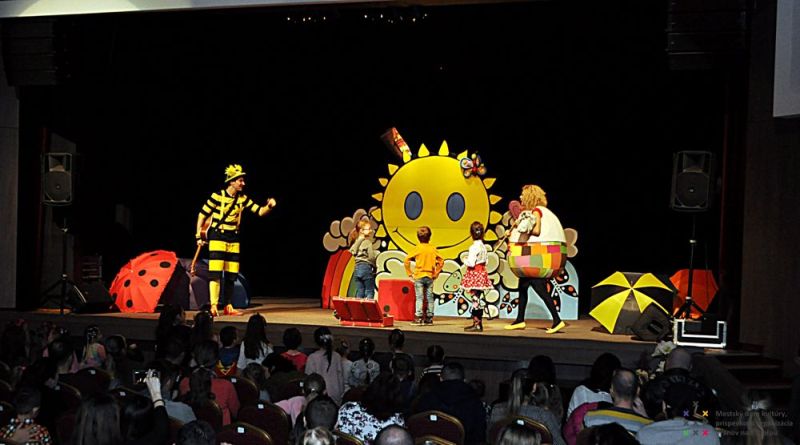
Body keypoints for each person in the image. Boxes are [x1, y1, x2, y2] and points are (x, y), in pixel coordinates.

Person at [195, 163, 276, 317]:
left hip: (233, 238)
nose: (243, 183)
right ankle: (213, 305)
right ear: (231, 181)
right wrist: (198, 235)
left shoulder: (242, 199)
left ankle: (228, 305)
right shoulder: (217, 196)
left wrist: (269, 206)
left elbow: (259, 211)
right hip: (218, 236)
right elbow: (202, 215)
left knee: (232, 274)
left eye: (243, 180)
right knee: (215, 273)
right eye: (240, 180)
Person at [505, 184, 567, 333]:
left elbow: (537, 230)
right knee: (523, 287)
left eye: (523, 195)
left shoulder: (537, 211)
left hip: (536, 258)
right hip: (531, 258)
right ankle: (520, 320)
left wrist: (521, 228)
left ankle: (557, 320)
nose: (520, 197)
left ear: (529, 197)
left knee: (540, 289)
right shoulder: (532, 212)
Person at [404, 226, 444, 325]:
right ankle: (429, 318)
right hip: (430, 276)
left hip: (419, 276)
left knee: (419, 297)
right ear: (430, 237)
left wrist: (409, 273)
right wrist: (436, 273)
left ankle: (418, 317)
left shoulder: (417, 248)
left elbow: (406, 260)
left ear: (418, 237)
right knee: (430, 297)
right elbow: (441, 261)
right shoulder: (432, 248)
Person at [459, 221, 493, 332]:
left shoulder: (474, 247)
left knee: (475, 299)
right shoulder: (483, 246)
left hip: (474, 274)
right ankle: (477, 323)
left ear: (471, 233)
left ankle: (477, 324)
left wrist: (464, 260)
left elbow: (471, 263)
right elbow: (486, 261)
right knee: (477, 298)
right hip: (481, 273)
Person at [349, 218, 379, 299]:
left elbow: (352, 252)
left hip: (357, 269)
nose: (370, 231)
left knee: (360, 291)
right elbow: (371, 257)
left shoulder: (355, 242)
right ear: (362, 230)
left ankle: (358, 307)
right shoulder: (367, 242)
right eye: (368, 229)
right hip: (366, 268)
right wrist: (375, 266)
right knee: (369, 291)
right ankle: (368, 307)